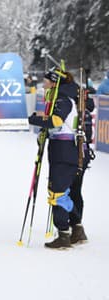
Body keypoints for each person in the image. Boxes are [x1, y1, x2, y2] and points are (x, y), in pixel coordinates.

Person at [28, 67, 81, 249]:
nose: (43, 85)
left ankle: (64, 234)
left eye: (46, 81)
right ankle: (76, 228)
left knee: (57, 193)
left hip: (64, 150)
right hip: (60, 149)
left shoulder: (62, 99)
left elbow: (57, 121)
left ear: (54, 82)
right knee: (59, 192)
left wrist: (34, 120)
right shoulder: (58, 98)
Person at [68, 83, 96, 244]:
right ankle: (75, 224)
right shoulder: (83, 109)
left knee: (71, 189)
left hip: (76, 154)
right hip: (80, 154)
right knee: (75, 189)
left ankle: (75, 225)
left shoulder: (77, 110)